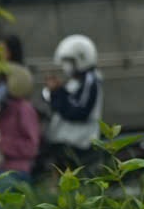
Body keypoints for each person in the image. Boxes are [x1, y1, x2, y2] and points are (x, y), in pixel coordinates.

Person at [42, 33, 103, 174]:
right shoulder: (75, 82)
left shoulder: (91, 81)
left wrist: (58, 92)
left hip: (79, 142)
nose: (66, 66)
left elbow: (78, 111)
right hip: (65, 142)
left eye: (70, 61)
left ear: (82, 59)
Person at [0, 61, 40, 179]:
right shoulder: (1, 108)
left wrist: (1, 141)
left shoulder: (24, 108)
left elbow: (31, 147)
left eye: (0, 83)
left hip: (16, 171)